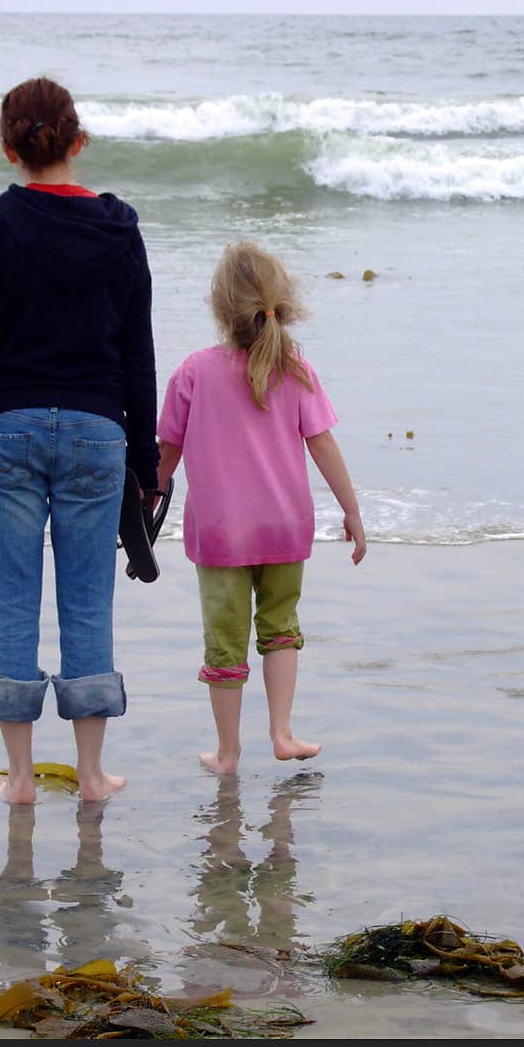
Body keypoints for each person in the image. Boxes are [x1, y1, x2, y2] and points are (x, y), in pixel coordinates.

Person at [0, 77, 158, 803]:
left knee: (13, 600)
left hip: (8, 431)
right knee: (88, 602)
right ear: (77, 140)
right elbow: (137, 355)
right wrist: (146, 462)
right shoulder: (118, 229)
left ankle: (21, 778)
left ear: (8, 149)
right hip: (96, 432)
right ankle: (91, 775)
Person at [156, 241, 365, 774]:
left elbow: (167, 452)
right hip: (284, 526)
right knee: (280, 626)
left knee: (225, 642)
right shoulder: (295, 368)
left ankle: (227, 753)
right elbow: (323, 445)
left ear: (221, 308)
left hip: (223, 533)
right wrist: (352, 512)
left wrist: (143, 501)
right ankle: (283, 732)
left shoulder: (194, 372)